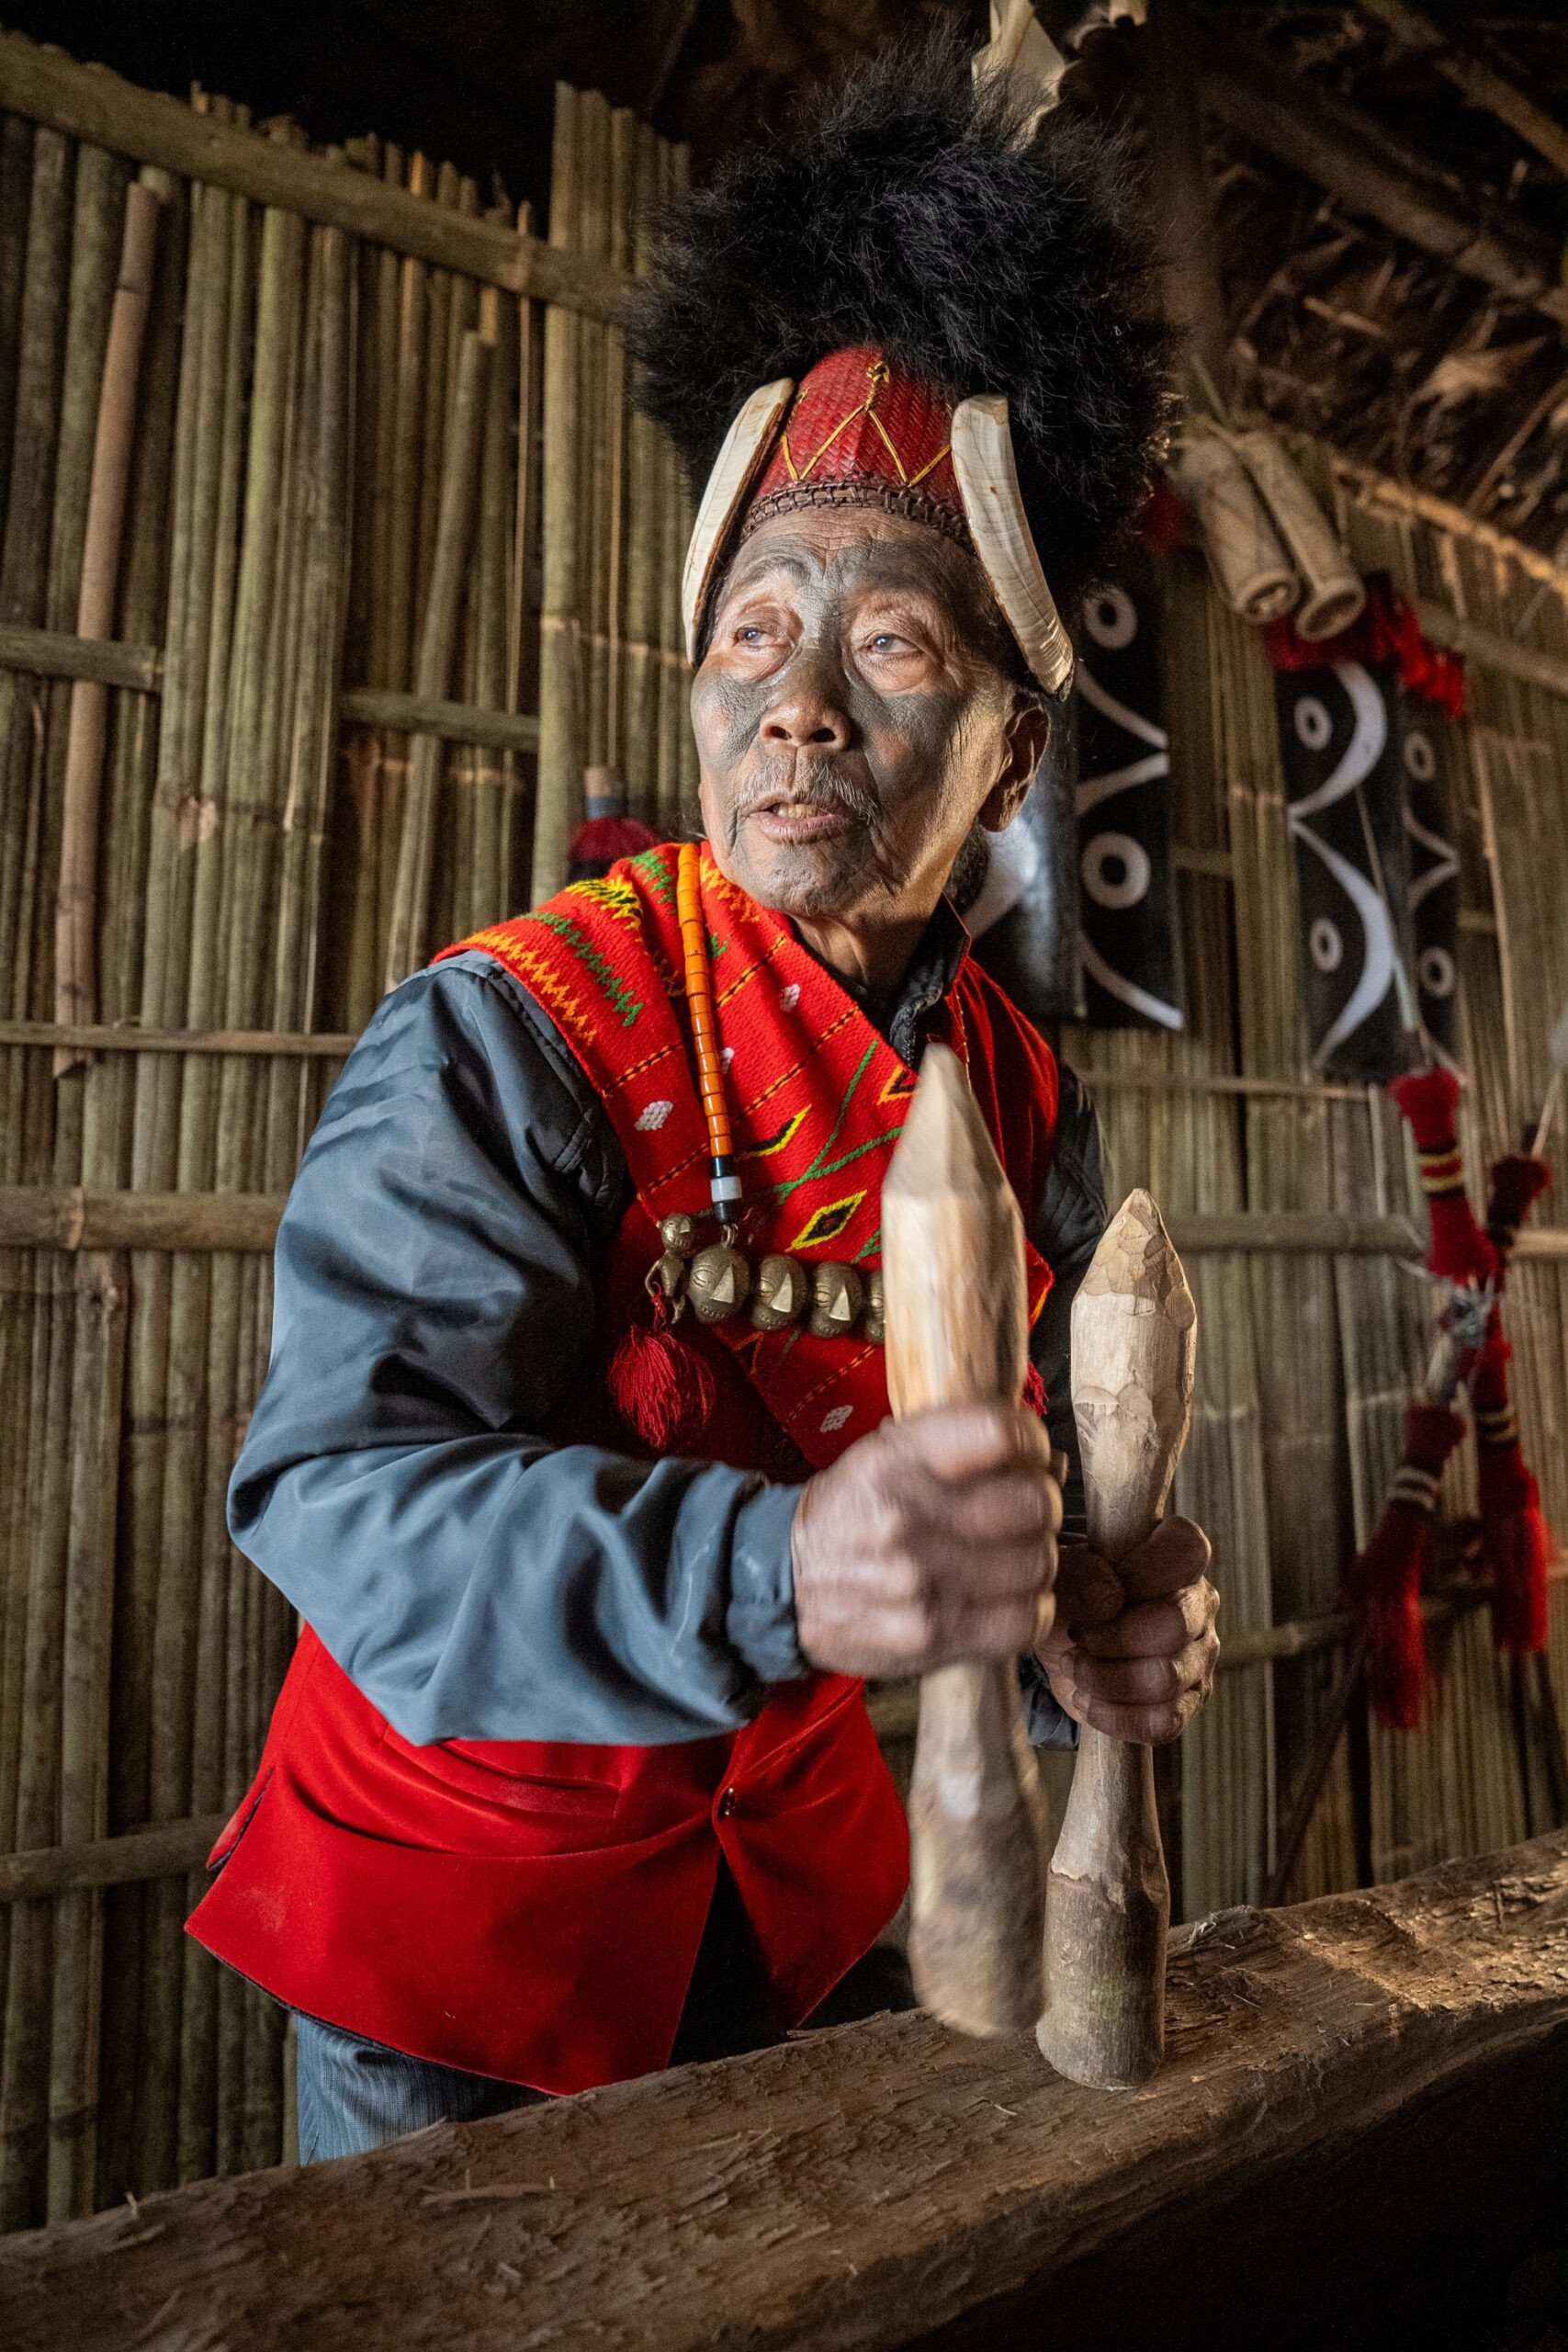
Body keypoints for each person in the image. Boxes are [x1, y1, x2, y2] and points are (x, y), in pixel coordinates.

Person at [188, 30, 1217, 2164]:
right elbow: (341, 1493)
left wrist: (1069, 1636)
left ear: (1011, 762)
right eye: (749, 633)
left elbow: (985, 1497)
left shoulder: (1010, 1089)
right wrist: (780, 1573)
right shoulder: (518, 1031)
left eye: (894, 652)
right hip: (467, 1948)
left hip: (800, 1901)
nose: (797, 709)